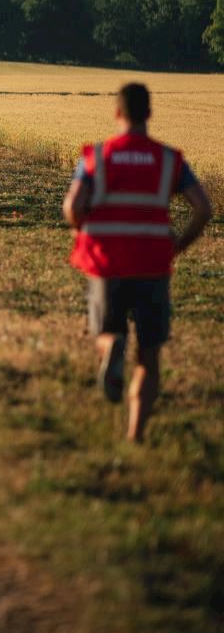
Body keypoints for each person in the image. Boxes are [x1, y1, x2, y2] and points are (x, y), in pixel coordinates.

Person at [62, 83, 212, 443]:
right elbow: (204, 208)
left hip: (107, 262)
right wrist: (177, 244)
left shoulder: (96, 156)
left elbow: (72, 207)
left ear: (118, 113)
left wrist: (86, 227)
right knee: (149, 355)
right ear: (149, 114)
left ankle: (112, 347)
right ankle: (135, 435)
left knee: (107, 331)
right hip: (152, 266)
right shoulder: (169, 160)